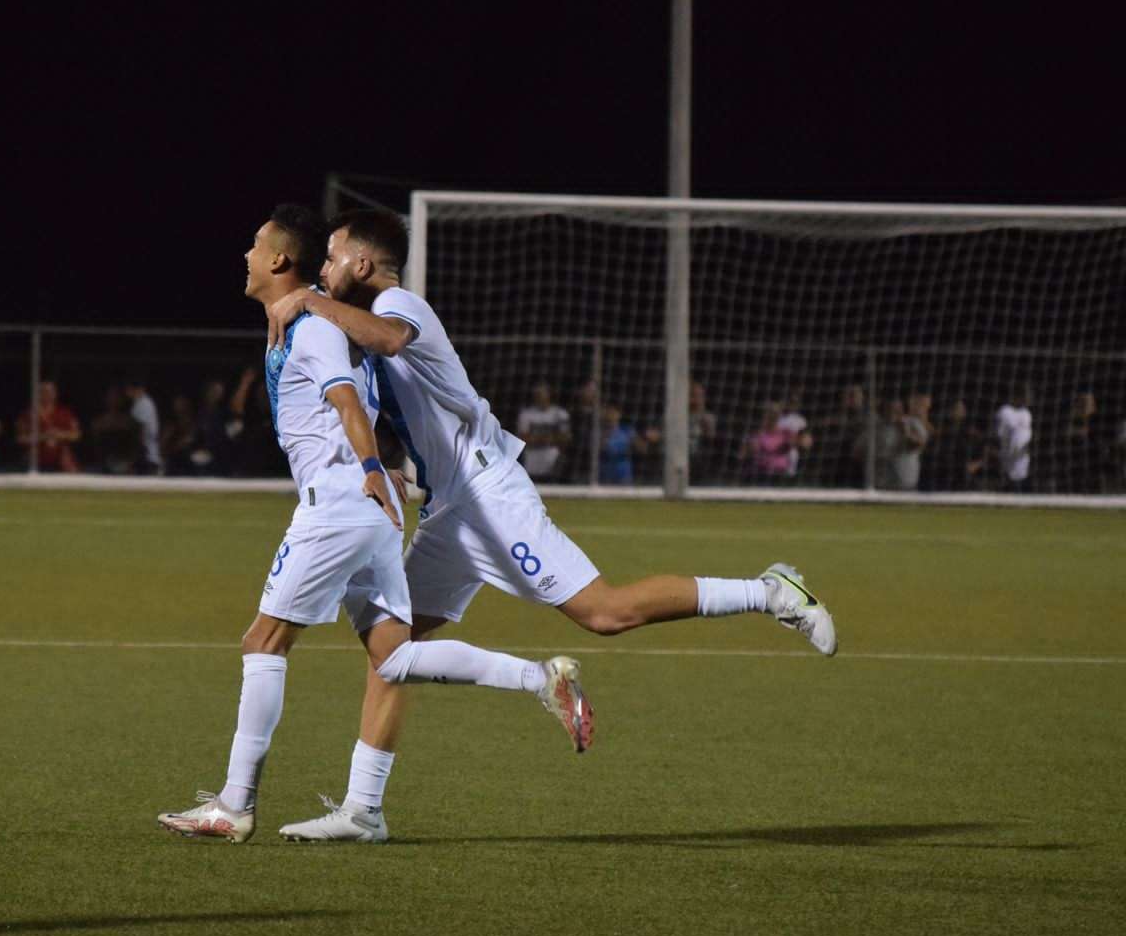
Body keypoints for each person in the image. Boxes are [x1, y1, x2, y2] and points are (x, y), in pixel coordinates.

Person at [265, 209, 836, 839]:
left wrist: (308, 303)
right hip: (453, 510)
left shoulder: (401, 304)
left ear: (363, 265)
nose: (322, 267)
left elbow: (391, 340)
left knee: (605, 613)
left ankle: (773, 591)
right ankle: (363, 811)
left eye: (332, 255)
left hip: (490, 498)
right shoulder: (360, 325)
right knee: (392, 651)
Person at [158, 207, 589, 846]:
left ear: (281, 261)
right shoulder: (309, 323)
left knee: (263, 643)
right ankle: (537, 678)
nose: (245, 254)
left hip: (337, 504)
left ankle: (233, 804)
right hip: (369, 507)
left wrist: (367, 466)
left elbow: (348, 400)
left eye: (255, 244)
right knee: (394, 656)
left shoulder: (313, 328)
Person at [14, 379, 81, 473]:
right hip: (35, 459)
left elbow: (76, 435)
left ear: (55, 393)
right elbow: (20, 438)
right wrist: (43, 436)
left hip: (60, 459)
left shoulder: (65, 413)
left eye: (50, 391)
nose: (47, 394)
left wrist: (59, 434)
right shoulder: (27, 414)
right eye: (43, 391)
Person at [741, 401, 809, 483]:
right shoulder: (755, 434)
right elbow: (742, 454)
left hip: (779, 474)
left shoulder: (786, 433)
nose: (771, 418)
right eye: (768, 415)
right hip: (759, 473)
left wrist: (797, 442)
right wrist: (751, 448)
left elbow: (806, 443)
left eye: (774, 416)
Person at [516, 380, 571, 480]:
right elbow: (523, 439)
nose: (539, 397)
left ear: (549, 394)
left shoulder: (560, 413)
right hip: (531, 460)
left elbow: (565, 438)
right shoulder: (526, 414)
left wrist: (536, 438)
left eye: (542, 393)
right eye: (537, 394)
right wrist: (551, 438)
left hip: (553, 459)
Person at [597, 402, 658, 485]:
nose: (610, 415)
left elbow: (643, 449)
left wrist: (646, 439)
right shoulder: (599, 431)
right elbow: (600, 448)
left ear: (619, 414)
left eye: (613, 412)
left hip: (623, 470)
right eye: (608, 412)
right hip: (605, 470)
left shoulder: (627, 430)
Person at [89, 384, 141, 474]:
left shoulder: (131, 422)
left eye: (117, 396)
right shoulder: (98, 423)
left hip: (126, 464)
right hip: (103, 465)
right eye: (111, 396)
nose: (114, 399)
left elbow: (136, 447)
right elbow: (95, 447)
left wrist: (130, 463)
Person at [994, 385, 1034, 492]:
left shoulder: (1027, 413)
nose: (1029, 399)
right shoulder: (1004, 412)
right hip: (1008, 465)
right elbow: (999, 437)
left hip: (1024, 465)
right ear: (1018, 396)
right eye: (1027, 396)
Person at [123, 375, 163, 475]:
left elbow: (140, 432)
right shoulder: (137, 403)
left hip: (147, 457)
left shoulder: (144, 404)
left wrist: (133, 459)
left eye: (129, 389)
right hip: (144, 455)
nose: (127, 392)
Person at [687, 381, 718, 483]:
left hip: (699, 459)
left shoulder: (708, 417)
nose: (697, 398)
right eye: (694, 395)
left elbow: (711, 437)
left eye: (700, 395)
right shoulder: (678, 416)